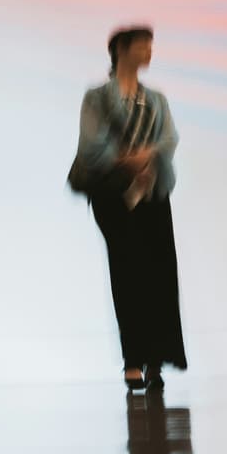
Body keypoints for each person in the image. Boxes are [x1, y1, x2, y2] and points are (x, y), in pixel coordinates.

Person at [75, 25, 186, 390]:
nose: (149, 52)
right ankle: (132, 360)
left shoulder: (155, 99)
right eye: (142, 45)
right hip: (114, 196)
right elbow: (92, 142)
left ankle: (157, 362)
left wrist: (147, 155)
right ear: (121, 49)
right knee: (127, 273)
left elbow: (169, 137)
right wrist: (124, 159)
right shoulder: (97, 97)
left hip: (152, 192)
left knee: (160, 275)